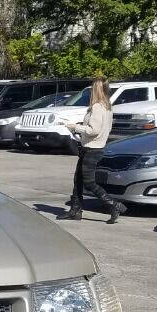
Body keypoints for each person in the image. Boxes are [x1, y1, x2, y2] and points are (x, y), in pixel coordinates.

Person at [58, 77, 124, 223]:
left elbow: (93, 130)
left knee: (88, 182)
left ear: (97, 89)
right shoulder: (107, 107)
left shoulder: (97, 107)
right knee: (78, 180)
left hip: (92, 149)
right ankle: (75, 210)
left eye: (93, 88)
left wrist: (75, 127)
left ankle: (113, 205)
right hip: (93, 147)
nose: (91, 91)